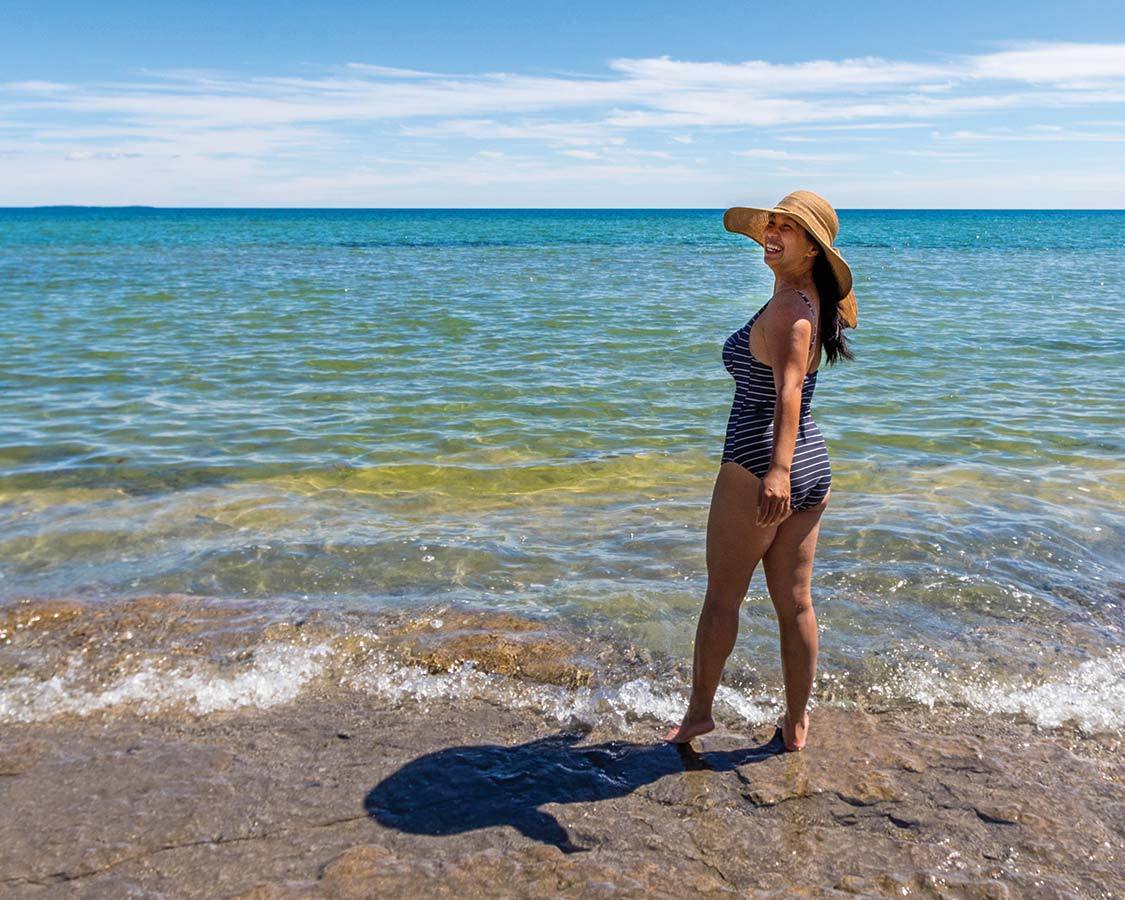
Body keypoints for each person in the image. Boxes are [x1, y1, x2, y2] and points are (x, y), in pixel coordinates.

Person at [665, 190, 858, 752]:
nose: (773, 234)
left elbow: (790, 393)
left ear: (813, 250)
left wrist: (775, 470)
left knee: (722, 599)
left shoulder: (791, 308)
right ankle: (796, 726)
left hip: (760, 459)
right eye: (771, 225)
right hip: (812, 464)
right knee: (795, 602)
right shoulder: (804, 301)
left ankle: (699, 715)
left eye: (788, 229)